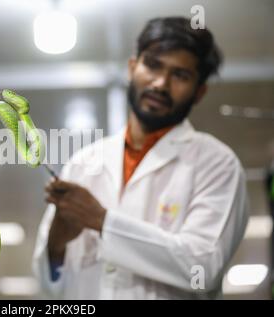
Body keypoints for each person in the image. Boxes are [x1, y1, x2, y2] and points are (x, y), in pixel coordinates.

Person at [32, 16, 249, 299]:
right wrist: (56, 244)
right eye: (153, 65)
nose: (160, 83)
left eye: (180, 75)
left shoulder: (217, 164)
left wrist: (102, 221)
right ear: (132, 67)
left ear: (199, 92)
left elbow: (202, 267)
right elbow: (47, 286)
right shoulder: (84, 162)